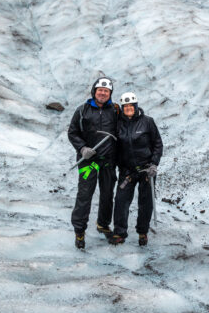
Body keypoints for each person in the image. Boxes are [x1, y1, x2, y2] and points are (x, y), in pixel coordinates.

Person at [67, 77, 119, 249]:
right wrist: (82, 148)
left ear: (110, 93)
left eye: (106, 91)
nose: (102, 93)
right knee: (84, 195)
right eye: (100, 90)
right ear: (94, 91)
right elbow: (73, 132)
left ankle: (103, 224)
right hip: (88, 162)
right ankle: (79, 231)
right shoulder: (82, 110)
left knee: (107, 195)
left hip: (107, 162)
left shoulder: (115, 111)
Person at [109, 92, 163, 246]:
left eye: (131, 106)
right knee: (121, 201)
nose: (128, 109)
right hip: (127, 171)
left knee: (145, 203)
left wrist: (154, 163)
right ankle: (119, 233)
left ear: (136, 106)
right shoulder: (118, 124)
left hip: (147, 170)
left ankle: (142, 232)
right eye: (125, 107)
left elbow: (158, 144)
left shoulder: (147, 122)